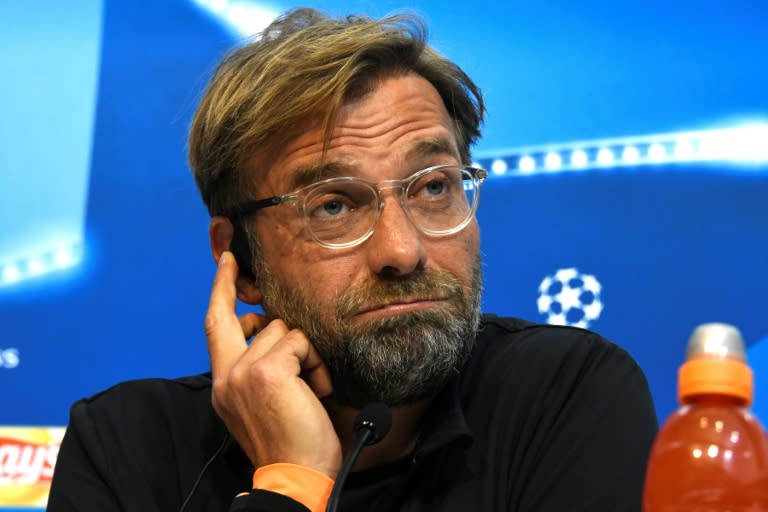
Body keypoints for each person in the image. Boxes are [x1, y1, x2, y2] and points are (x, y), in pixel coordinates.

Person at [48, 8, 657, 512]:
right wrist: (291, 484)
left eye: (434, 186)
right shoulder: (124, 448)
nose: (403, 250)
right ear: (243, 261)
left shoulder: (561, 394)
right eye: (335, 206)